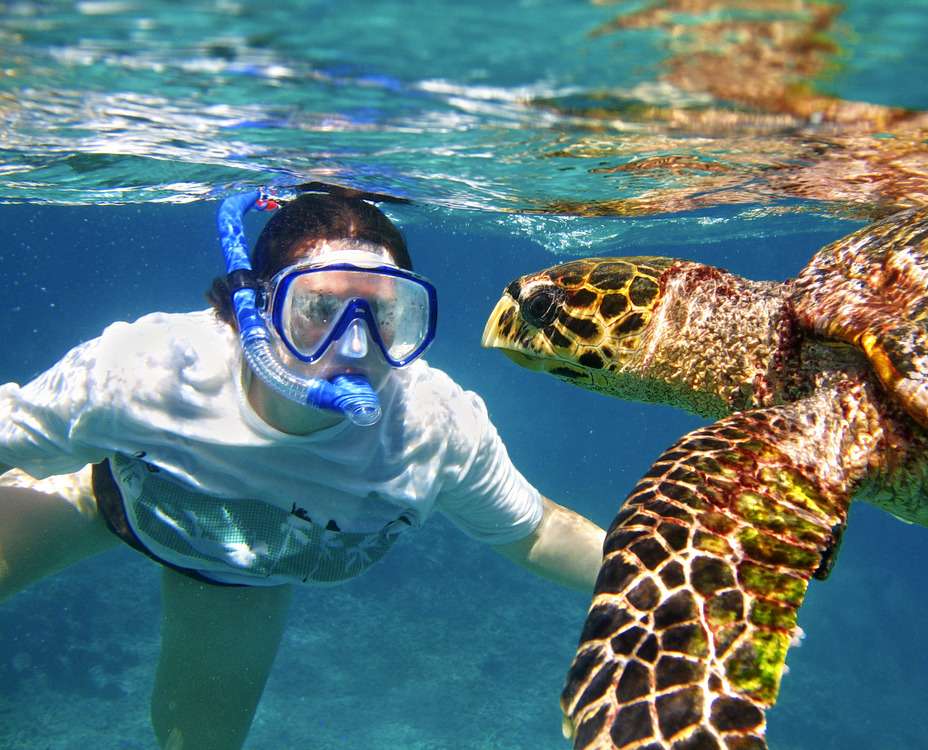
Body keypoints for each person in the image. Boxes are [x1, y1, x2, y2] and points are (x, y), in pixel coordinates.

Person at [0, 184, 605, 750]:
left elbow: (537, 531)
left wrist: (684, 586)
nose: (355, 345)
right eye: (318, 308)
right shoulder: (146, 372)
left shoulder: (433, 427)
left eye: (386, 314)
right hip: (103, 504)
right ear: (252, 312)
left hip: (239, 583)